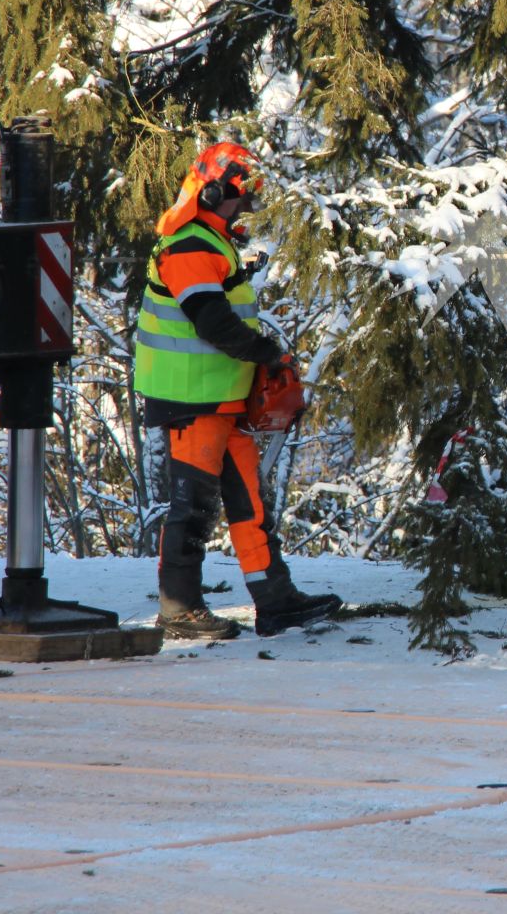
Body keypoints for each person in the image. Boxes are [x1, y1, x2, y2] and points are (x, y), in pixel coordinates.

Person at [133, 141, 342, 640]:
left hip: (223, 399)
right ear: (212, 191)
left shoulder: (215, 241)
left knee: (252, 503)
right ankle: (179, 608)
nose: (243, 207)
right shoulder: (188, 246)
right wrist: (266, 353)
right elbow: (213, 322)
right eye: (238, 197)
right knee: (193, 507)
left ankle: (276, 601)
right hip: (191, 399)